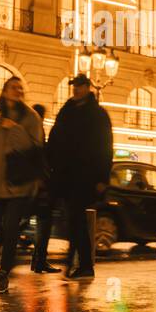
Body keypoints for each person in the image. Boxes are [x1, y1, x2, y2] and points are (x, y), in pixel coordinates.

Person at [0, 76, 45, 294]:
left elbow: (36, 149)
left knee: (10, 228)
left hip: (20, 183)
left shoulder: (31, 118)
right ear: (4, 92)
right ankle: (7, 241)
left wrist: (15, 128)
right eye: (13, 87)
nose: (17, 90)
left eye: (20, 87)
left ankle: (3, 274)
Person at [46, 73, 113, 281]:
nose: (76, 89)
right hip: (65, 175)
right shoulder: (66, 111)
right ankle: (80, 263)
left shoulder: (97, 114)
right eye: (74, 85)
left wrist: (102, 177)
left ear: (87, 88)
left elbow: (105, 146)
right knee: (73, 219)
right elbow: (54, 138)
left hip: (85, 175)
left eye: (80, 85)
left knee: (75, 217)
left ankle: (79, 263)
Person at [29, 102, 57, 274]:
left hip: (31, 185)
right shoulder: (36, 132)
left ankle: (38, 260)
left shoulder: (30, 130)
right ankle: (39, 261)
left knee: (38, 222)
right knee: (44, 222)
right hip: (39, 186)